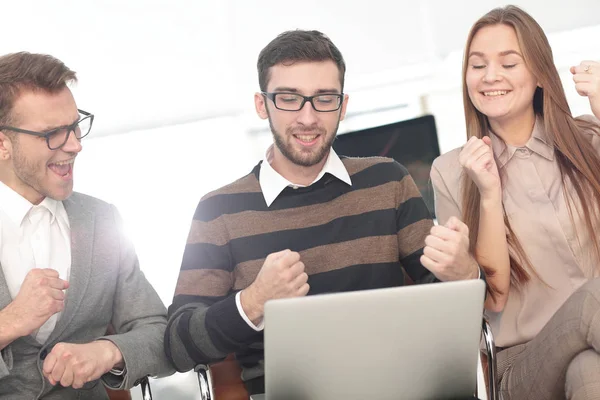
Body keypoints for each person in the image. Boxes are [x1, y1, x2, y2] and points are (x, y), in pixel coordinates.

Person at [165, 29, 483, 396]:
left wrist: (464, 274)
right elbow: (177, 346)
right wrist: (253, 302)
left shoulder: (388, 181)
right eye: (289, 99)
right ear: (261, 104)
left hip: (403, 386)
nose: (308, 117)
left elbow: (446, 309)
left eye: (324, 99)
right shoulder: (218, 211)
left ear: (342, 105)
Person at [430, 5, 600, 400]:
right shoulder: (452, 171)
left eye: (509, 63)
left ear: (540, 74)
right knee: (595, 296)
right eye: (478, 66)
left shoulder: (588, 139)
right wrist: (489, 195)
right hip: (523, 364)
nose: (491, 77)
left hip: (590, 353)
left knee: (590, 374)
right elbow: (494, 296)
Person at [0, 52, 173, 399]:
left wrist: (107, 351)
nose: (76, 145)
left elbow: (159, 331)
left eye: (75, 125)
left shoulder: (102, 220)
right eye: (52, 133)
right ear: (2, 143)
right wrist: (9, 323)